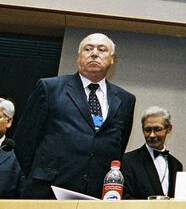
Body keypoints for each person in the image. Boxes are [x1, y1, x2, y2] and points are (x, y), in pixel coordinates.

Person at [14, 33, 136, 199]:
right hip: (48, 190)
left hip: (95, 194)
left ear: (112, 59)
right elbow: (24, 140)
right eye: (88, 49)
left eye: (102, 49)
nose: (94, 53)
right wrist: (39, 174)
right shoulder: (50, 88)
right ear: (79, 57)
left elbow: (119, 145)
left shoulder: (125, 99)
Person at [121, 106, 183, 199]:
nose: (152, 135)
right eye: (148, 130)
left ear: (169, 129)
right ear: (142, 130)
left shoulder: (176, 165)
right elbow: (125, 198)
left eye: (157, 129)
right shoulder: (128, 161)